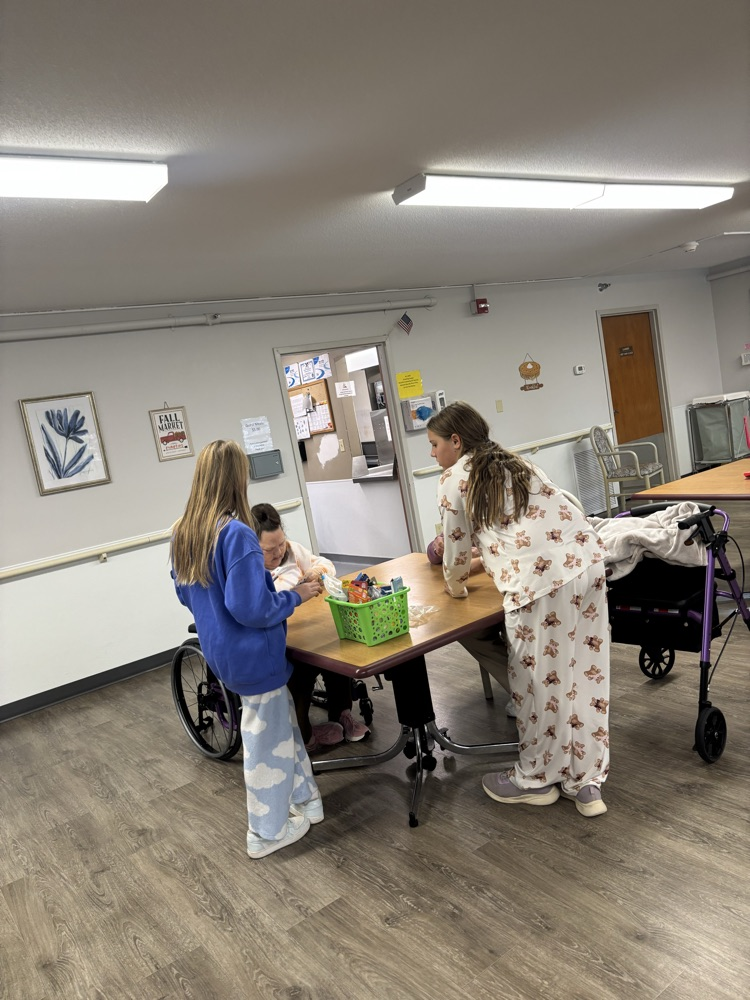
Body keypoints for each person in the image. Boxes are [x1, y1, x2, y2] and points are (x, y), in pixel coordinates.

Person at [426, 402, 610, 817]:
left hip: (539, 584)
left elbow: (455, 549)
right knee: (583, 676)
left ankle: (536, 780)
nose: (432, 453)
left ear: (456, 441)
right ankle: (586, 782)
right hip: (588, 563)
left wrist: (455, 586)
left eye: (435, 444)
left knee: (538, 684)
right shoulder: (517, 463)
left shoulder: (453, 478)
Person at [170, 440, 325, 858]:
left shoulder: (185, 532)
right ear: (237, 478)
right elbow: (251, 607)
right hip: (254, 654)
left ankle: (306, 799)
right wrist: (295, 597)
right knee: (266, 740)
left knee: (282, 724)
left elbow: (185, 594)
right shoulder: (236, 533)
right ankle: (266, 832)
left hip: (221, 650)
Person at [251, 502, 370, 749]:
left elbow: (327, 565)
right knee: (300, 672)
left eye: (281, 543)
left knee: (337, 655)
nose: (278, 552)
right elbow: (260, 609)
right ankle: (303, 733)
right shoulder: (250, 571)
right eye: (269, 549)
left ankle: (342, 714)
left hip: (308, 628)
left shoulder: (292, 552)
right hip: (279, 638)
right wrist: (295, 594)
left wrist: (315, 574)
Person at [426, 532, 516, 718]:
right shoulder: (464, 518)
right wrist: (438, 546)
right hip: (489, 595)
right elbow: (434, 556)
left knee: (513, 627)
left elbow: (515, 549)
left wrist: (481, 559)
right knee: (470, 633)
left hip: (520, 588)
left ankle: (529, 696)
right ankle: (522, 692)